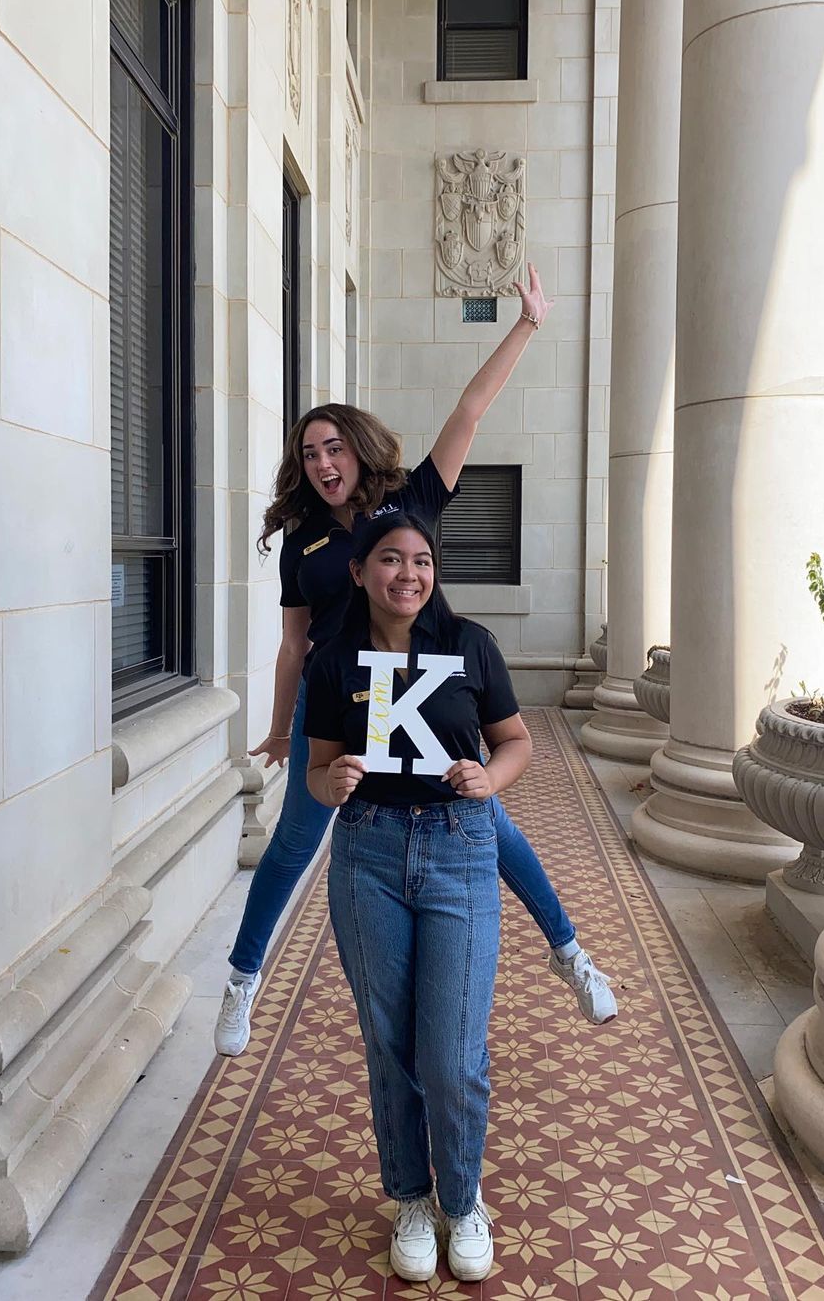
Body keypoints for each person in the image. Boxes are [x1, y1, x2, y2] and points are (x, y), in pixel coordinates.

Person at [215, 267, 617, 1057]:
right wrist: (282, 726)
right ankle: (241, 980)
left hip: (421, 688)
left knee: (487, 818)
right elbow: (295, 643)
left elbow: (469, 410)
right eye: (309, 452)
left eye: (333, 446)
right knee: (294, 841)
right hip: (339, 700)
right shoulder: (303, 540)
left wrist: (527, 323)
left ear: (356, 449)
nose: (322, 461)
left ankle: (571, 953)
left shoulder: (413, 499)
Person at [306, 513, 526, 1282]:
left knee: (452, 1051)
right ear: (360, 571)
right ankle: (409, 1197)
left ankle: (462, 1201)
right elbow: (318, 770)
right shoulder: (334, 660)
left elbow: (516, 740)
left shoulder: (470, 646)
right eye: (392, 559)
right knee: (391, 1043)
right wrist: (330, 782)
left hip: (460, 851)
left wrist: (489, 777)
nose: (409, 574)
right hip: (366, 853)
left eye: (423, 560)